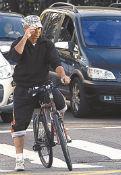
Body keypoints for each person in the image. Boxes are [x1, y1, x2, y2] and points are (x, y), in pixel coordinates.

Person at [6, 15, 71, 171]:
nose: (37, 32)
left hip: (43, 85)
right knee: (19, 125)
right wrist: (25, 37)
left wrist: (63, 76)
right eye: (33, 29)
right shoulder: (19, 43)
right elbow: (14, 58)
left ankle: (59, 129)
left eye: (39, 29)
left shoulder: (47, 44)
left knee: (60, 104)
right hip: (24, 88)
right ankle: (19, 159)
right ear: (26, 28)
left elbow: (56, 63)